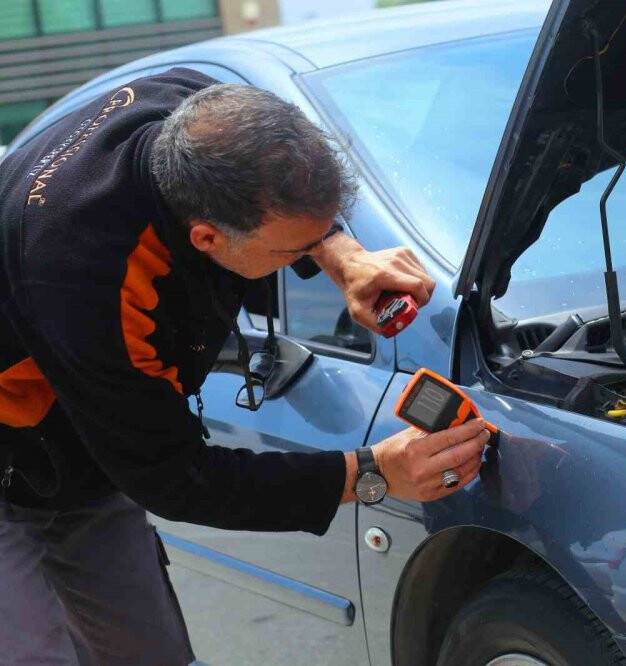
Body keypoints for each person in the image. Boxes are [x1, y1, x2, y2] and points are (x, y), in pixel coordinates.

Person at [0, 68, 489, 665]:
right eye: (295, 250)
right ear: (207, 238)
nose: (305, 257)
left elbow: (289, 200)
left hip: (81, 439)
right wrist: (371, 472)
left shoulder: (199, 104)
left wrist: (344, 256)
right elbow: (176, 479)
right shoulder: (90, 279)